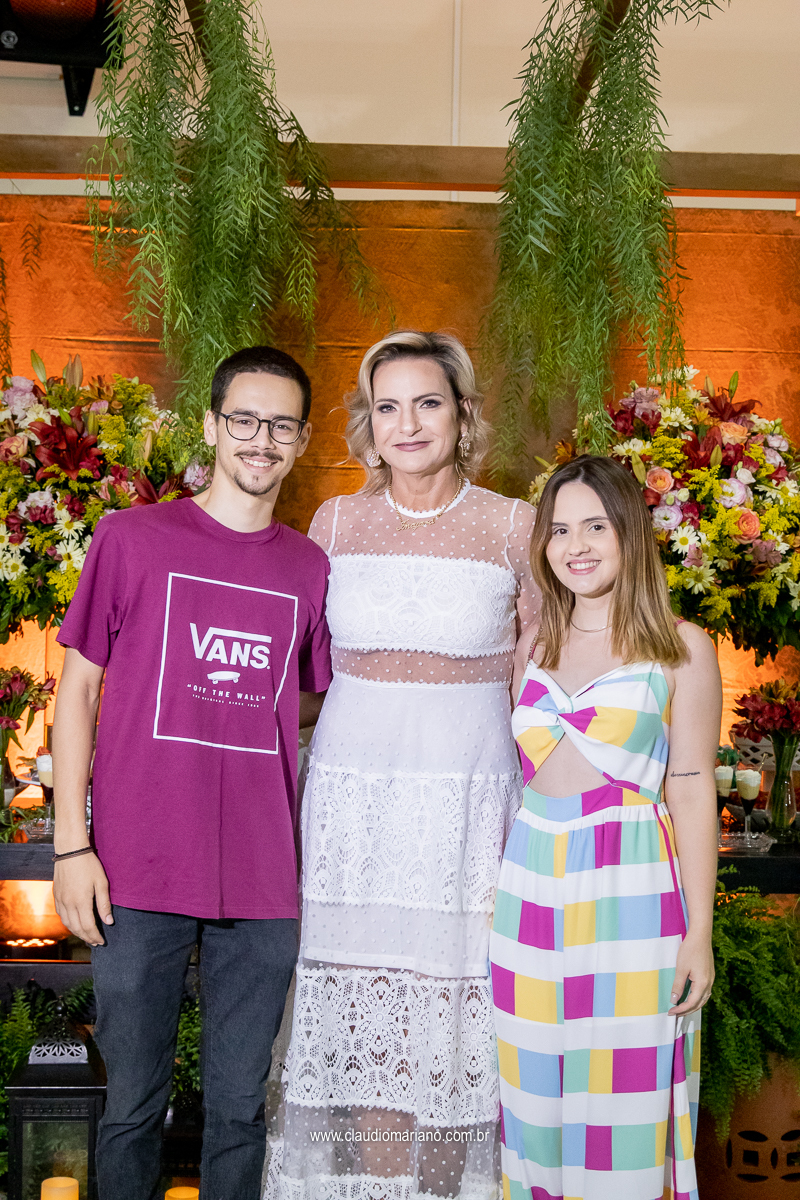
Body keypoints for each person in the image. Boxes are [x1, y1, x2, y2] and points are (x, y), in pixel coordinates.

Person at [52, 346, 333, 1200]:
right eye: (244, 419)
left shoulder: (309, 568)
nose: (261, 439)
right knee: (132, 1110)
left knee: (241, 1112)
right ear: (211, 426)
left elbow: (309, 698)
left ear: (302, 440)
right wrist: (71, 848)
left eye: (281, 425)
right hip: (137, 870)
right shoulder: (131, 538)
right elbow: (78, 692)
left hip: (262, 878)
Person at [264, 330, 539, 1200]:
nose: (408, 423)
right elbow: (301, 670)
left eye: (428, 403)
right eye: (388, 406)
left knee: (454, 1018)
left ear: (463, 415)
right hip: (352, 809)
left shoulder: (514, 525)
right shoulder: (335, 522)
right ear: (368, 423)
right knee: (361, 1019)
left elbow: (544, 676)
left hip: (467, 809)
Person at [490, 454, 720, 1200]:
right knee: (532, 1097)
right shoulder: (532, 644)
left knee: (626, 1101)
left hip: (633, 890)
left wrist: (698, 932)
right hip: (529, 889)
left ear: (629, 533)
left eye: (595, 526)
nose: (576, 546)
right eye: (560, 530)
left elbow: (692, 791)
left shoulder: (680, 648)